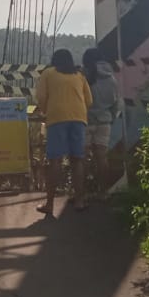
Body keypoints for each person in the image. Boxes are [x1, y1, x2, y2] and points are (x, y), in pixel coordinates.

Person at [34, 48, 91, 215]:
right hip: (79, 118)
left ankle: (50, 204)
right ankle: (80, 200)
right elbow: (89, 100)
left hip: (57, 118)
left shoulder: (48, 73)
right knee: (77, 159)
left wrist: (46, 111)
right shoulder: (79, 75)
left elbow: (42, 97)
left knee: (55, 160)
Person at [82, 47, 120, 204]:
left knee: (81, 158)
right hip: (104, 121)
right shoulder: (112, 78)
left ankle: (81, 192)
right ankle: (103, 191)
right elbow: (115, 102)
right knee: (102, 158)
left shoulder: (84, 76)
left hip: (85, 120)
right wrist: (110, 117)